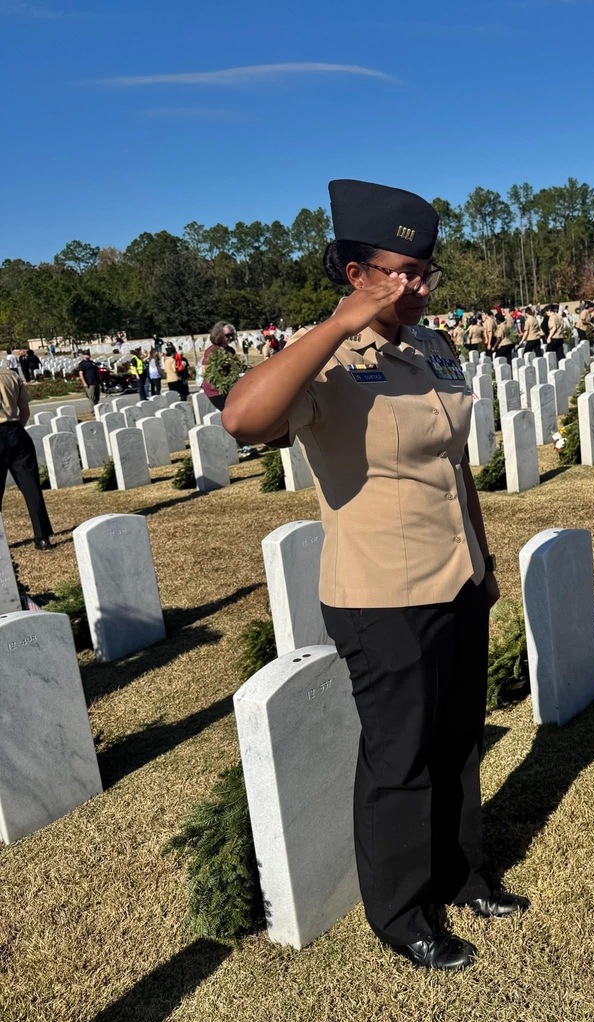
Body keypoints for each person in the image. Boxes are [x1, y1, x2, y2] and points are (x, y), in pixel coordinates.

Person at [221, 179, 526, 971]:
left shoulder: (433, 347)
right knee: (402, 758)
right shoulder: (324, 362)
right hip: (383, 596)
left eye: (427, 270)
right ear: (356, 272)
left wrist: (483, 561)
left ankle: (461, 875)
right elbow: (242, 420)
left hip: (454, 576)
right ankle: (399, 911)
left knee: (458, 740)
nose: (420, 286)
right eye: (402, 271)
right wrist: (336, 327)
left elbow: (455, 468)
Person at [0, 362, 53, 550]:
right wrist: (16, 430)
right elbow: (25, 410)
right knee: (31, 488)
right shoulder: (11, 375)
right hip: (17, 432)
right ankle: (42, 537)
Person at [201, 321, 238, 412]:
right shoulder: (212, 351)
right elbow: (204, 371)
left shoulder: (230, 350)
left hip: (229, 387)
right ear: (219, 335)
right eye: (227, 335)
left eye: (231, 335)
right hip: (215, 390)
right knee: (230, 412)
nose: (230, 338)